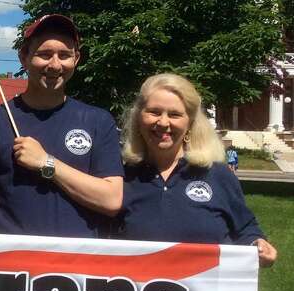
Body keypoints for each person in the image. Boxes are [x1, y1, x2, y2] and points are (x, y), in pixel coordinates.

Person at [0, 13, 123, 237]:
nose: (55, 65)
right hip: (15, 264)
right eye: (45, 54)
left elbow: (111, 200)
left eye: (65, 55)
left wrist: (46, 163)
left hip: (80, 265)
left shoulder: (98, 121)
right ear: (24, 57)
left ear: (76, 59)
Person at [116, 73, 277, 267]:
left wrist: (257, 244)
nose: (163, 122)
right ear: (139, 117)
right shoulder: (121, 177)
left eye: (175, 114)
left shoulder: (218, 175)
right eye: (154, 112)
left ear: (190, 123)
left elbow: (246, 229)